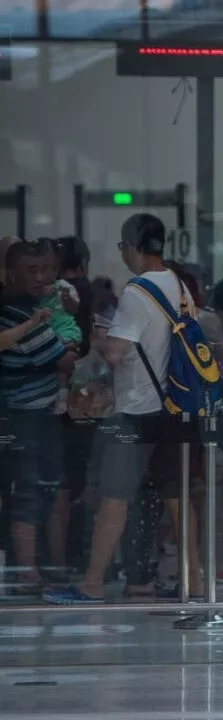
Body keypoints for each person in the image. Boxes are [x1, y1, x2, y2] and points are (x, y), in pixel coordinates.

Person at [44, 214, 203, 605]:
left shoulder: (137, 292)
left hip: (138, 409)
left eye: (122, 247)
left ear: (132, 245)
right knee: (178, 500)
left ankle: (92, 583)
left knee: (114, 497)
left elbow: (116, 354)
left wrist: (98, 338)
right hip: (177, 406)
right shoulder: (179, 286)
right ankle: (196, 584)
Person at [1, 239, 78, 592]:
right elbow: (61, 358)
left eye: (45, 270)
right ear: (11, 274)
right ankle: (26, 572)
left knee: (41, 490)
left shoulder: (38, 309)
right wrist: (61, 346)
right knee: (29, 492)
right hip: (23, 416)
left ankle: (33, 568)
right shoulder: (17, 313)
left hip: (39, 414)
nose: (40, 277)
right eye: (31, 271)